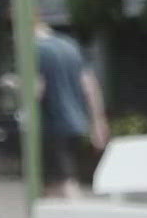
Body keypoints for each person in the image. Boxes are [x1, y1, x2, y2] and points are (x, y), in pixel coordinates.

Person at [35, 17, 109, 198]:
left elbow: (37, 89)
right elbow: (89, 85)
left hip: (52, 125)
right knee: (52, 182)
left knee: (63, 181)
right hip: (77, 123)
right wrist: (98, 121)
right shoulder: (70, 46)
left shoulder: (35, 50)